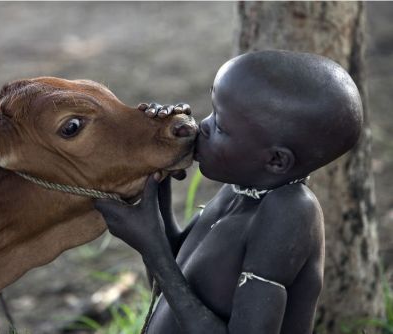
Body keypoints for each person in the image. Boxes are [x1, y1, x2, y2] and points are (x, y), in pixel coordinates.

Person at [94, 50, 363, 334]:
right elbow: (174, 284)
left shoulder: (290, 213)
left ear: (275, 161)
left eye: (220, 126)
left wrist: (152, 245)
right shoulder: (240, 190)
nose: (205, 125)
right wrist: (157, 176)